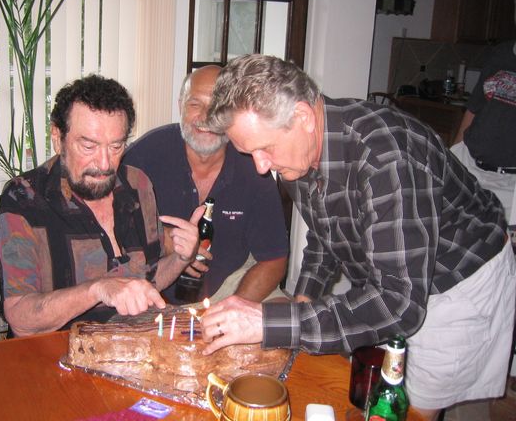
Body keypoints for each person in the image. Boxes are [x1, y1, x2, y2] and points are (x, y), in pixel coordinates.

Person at [199, 54, 516, 421]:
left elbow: (398, 305)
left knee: (414, 408)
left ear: (303, 116)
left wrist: (270, 322)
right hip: (395, 282)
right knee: (378, 390)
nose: (260, 167)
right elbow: (325, 233)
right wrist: (303, 299)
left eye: (264, 149)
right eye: (249, 152)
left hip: (458, 278)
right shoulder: (298, 152)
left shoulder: (387, 157)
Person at [0, 75, 202, 337]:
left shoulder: (137, 184)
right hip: (58, 350)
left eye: (116, 146)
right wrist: (97, 289)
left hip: (134, 343)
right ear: (57, 138)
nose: (105, 164)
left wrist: (181, 259)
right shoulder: (25, 198)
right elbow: (20, 318)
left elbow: (148, 280)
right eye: (88, 146)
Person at [123, 65, 289, 304]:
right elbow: (104, 223)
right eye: (195, 104)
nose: (206, 116)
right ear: (180, 106)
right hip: (151, 287)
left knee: (283, 314)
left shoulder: (254, 166)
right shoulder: (144, 155)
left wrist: (233, 308)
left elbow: (274, 259)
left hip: (231, 286)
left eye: (218, 106)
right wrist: (159, 239)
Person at [452, 40, 516, 227]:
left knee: (504, 242)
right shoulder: (501, 52)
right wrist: (453, 157)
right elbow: (473, 108)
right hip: (471, 167)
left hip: (510, 183)